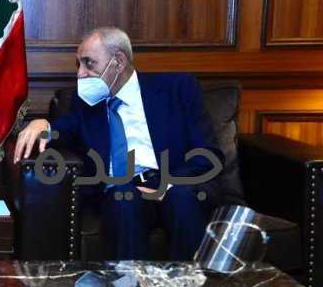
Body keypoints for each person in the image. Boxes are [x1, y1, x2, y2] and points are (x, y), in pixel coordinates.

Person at [14, 27, 222, 261]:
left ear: (119, 62)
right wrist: (42, 124)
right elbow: (65, 128)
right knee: (123, 196)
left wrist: (167, 185)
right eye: (78, 65)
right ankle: (127, 283)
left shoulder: (177, 89)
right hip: (123, 190)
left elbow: (206, 153)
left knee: (181, 198)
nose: (81, 73)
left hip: (174, 182)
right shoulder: (85, 103)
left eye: (89, 63)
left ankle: (190, 283)